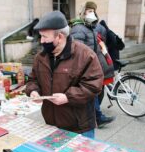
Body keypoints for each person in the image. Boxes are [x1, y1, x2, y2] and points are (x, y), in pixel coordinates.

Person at [26, 11, 104, 139]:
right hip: (51, 125)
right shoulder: (41, 57)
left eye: (45, 37)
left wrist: (68, 97)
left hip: (80, 128)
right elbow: (32, 80)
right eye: (41, 36)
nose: (41, 41)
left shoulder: (85, 55)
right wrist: (33, 91)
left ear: (60, 36)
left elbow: (94, 85)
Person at [70, 1, 115, 128]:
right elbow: (78, 51)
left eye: (93, 11)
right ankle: (97, 117)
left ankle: (94, 115)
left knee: (97, 93)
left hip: (93, 66)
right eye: (89, 11)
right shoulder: (78, 28)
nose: (92, 13)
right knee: (93, 93)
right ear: (83, 12)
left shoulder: (91, 28)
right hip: (86, 68)